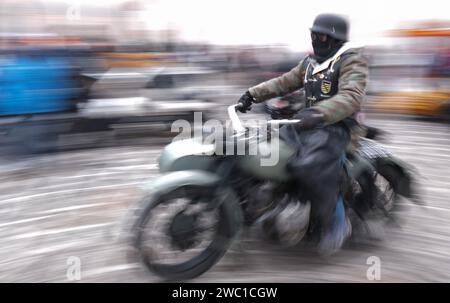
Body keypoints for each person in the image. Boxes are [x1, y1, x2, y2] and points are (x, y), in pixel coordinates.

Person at [237, 13, 369, 255]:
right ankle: (276, 202)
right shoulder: (310, 63)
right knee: (268, 150)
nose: (315, 40)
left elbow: (351, 96)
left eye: (320, 36)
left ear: (334, 39)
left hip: (338, 126)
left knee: (312, 166)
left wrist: (319, 113)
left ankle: (337, 225)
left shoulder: (352, 61)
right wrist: (252, 94)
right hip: (308, 124)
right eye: (313, 35)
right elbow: (284, 82)